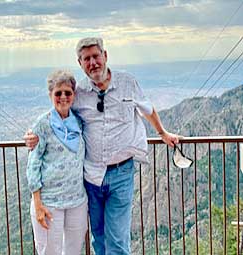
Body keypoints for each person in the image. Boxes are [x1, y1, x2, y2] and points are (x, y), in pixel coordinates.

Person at [25, 38, 180, 255]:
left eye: (95, 56)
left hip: (121, 173)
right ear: (80, 63)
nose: (93, 62)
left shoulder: (128, 82)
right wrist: (33, 134)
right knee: (99, 239)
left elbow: (147, 109)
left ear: (105, 55)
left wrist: (162, 133)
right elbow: (60, 110)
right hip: (91, 177)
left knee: (117, 241)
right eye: (86, 59)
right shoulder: (79, 93)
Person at [26, 69, 88, 255]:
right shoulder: (42, 124)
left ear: (74, 95)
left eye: (67, 93)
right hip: (49, 202)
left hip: (77, 200)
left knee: (73, 251)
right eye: (58, 93)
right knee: (49, 251)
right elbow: (33, 165)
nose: (63, 97)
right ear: (50, 95)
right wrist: (37, 204)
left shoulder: (79, 122)